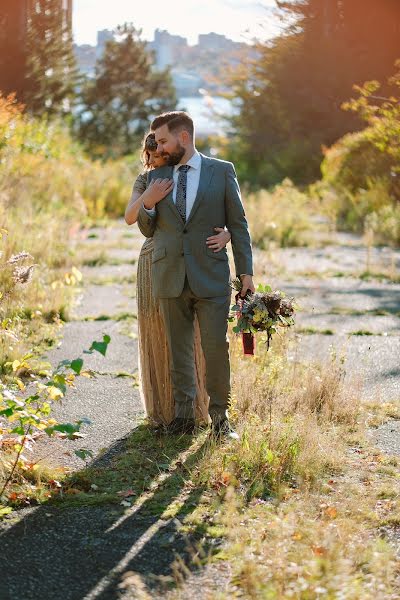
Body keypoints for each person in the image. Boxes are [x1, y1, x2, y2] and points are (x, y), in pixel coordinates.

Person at [137, 111, 254, 437]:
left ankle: (220, 419)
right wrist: (148, 204)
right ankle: (184, 418)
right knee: (179, 350)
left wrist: (246, 273)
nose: (157, 146)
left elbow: (239, 224)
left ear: (183, 138)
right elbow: (148, 229)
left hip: (211, 275)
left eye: (162, 140)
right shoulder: (156, 176)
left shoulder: (221, 171)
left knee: (216, 349)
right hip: (169, 274)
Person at [125, 132, 231, 426]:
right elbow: (130, 216)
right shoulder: (145, 180)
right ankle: (165, 409)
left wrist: (228, 233)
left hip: (195, 265)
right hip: (155, 263)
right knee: (158, 334)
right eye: (151, 156)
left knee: (196, 339)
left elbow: (215, 215)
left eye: (160, 155)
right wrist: (150, 197)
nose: (156, 160)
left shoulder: (191, 174)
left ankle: (199, 409)